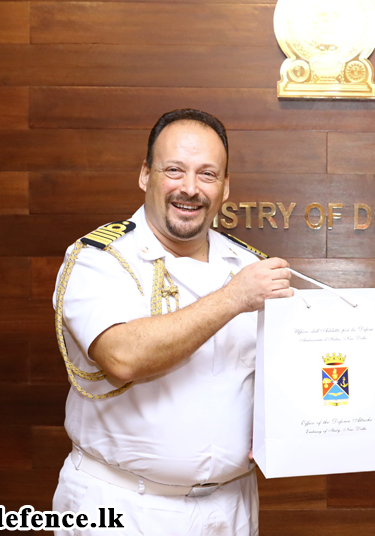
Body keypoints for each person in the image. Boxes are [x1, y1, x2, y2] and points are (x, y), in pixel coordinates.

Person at [51, 109, 293, 535]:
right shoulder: (98, 260)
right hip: (122, 507)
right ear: (146, 175)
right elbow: (123, 356)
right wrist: (234, 297)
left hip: (229, 508)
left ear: (225, 188)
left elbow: (280, 373)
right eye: (174, 170)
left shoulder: (248, 264)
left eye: (207, 174)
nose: (189, 188)